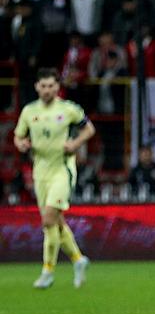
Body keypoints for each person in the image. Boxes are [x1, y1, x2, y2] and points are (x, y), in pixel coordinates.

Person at [13, 68, 95, 289]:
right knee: (56, 221)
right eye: (43, 86)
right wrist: (21, 144)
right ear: (37, 87)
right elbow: (18, 136)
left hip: (62, 168)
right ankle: (78, 260)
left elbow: (89, 129)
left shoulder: (68, 109)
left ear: (58, 87)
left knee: (48, 219)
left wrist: (75, 144)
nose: (47, 90)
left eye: (51, 86)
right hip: (40, 170)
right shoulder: (29, 111)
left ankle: (47, 271)